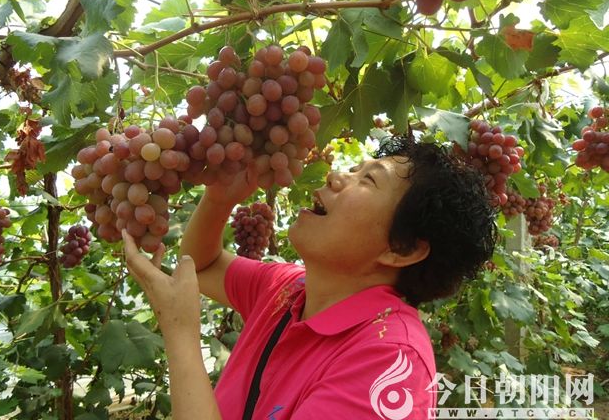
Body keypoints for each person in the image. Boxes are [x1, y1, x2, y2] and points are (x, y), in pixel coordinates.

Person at [123, 135, 497, 420]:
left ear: (403, 249)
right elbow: (203, 266)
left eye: (368, 180)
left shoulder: (390, 363)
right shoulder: (288, 289)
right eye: (355, 169)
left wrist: (180, 332)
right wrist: (219, 199)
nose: (336, 176)